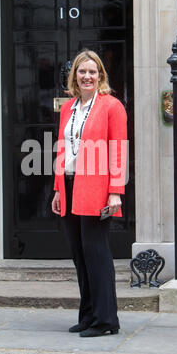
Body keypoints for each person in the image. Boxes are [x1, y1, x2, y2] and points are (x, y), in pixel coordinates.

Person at [52, 50, 127, 338]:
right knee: (79, 255)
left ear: (100, 76)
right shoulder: (67, 108)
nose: (87, 76)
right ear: (74, 77)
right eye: (82, 72)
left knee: (96, 253)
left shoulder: (112, 106)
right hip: (69, 186)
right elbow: (62, 150)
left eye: (93, 72)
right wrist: (58, 189)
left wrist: (115, 193)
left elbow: (118, 151)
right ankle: (87, 316)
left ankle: (106, 319)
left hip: (97, 190)